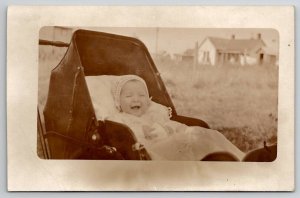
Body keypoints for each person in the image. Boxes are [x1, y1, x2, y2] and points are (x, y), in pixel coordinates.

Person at [108, 75, 245, 161]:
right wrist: (141, 130)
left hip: (171, 143)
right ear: (118, 102)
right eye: (129, 96)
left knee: (201, 133)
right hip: (150, 153)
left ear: (148, 99)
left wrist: (167, 128)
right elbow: (121, 136)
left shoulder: (154, 114)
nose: (136, 99)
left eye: (142, 95)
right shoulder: (119, 119)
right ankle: (221, 160)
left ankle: (236, 158)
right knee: (190, 140)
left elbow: (173, 125)